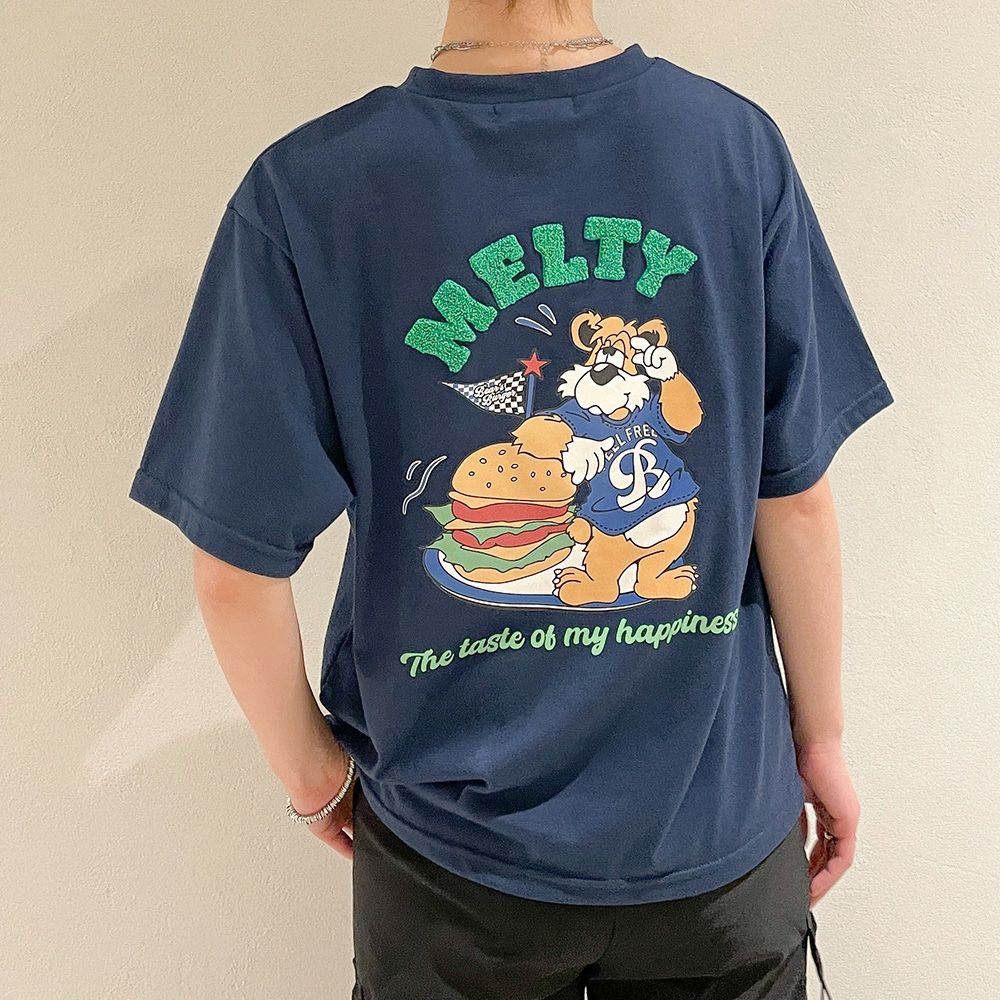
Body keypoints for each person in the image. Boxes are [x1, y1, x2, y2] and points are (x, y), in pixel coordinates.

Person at [128, 1, 893, 996]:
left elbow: (235, 568)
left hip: (454, 857)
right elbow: (793, 500)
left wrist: (313, 778)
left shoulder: (309, 188)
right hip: (718, 837)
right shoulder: (732, 148)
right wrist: (820, 739)